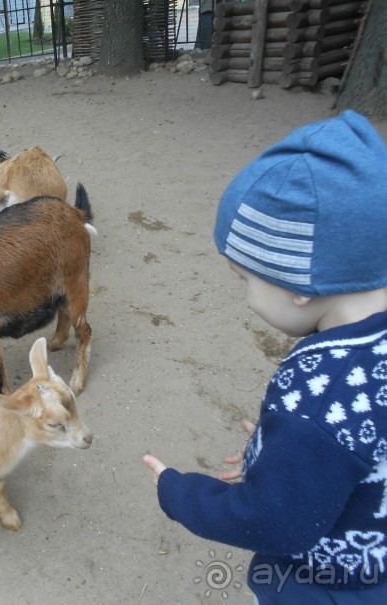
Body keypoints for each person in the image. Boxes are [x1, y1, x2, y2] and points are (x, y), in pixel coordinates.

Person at [143, 110, 387, 604]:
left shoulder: (317, 390)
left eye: (246, 279)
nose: (247, 296)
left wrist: (181, 494)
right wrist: (286, 455)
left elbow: (271, 520)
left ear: (300, 284)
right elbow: (359, 445)